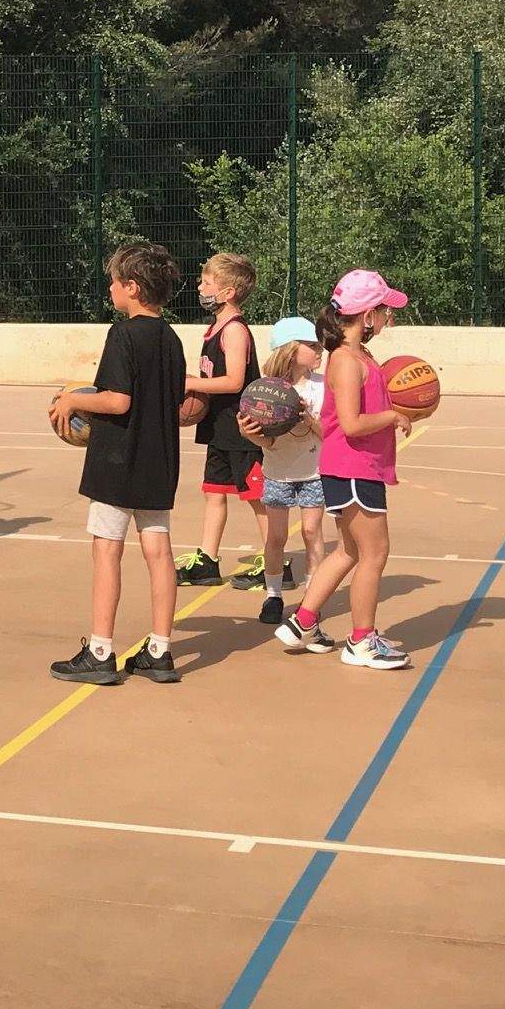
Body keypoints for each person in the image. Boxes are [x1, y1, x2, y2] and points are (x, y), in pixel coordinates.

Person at [48, 242, 186, 685]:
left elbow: (118, 399)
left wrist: (74, 398)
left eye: (114, 281)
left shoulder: (123, 334)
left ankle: (101, 650)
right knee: (160, 552)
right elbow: (177, 405)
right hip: (160, 459)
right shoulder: (171, 339)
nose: (110, 288)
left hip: (117, 458)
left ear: (132, 287)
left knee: (107, 549)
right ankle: (161, 651)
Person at [274, 270, 414, 669]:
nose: (390, 318)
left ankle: (303, 621)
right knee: (375, 552)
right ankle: (362, 641)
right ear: (367, 315)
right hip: (355, 468)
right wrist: (391, 416)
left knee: (350, 550)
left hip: (352, 467)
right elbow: (351, 424)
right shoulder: (347, 361)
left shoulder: (358, 356)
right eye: (385, 311)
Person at [178, 253, 264, 586]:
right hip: (219, 426)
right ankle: (207, 561)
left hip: (242, 426)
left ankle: (276, 561)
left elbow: (234, 382)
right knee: (214, 492)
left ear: (227, 292)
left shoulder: (235, 330)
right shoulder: (215, 327)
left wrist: (190, 383)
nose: (200, 287)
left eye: (207, 283)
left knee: (257, 496)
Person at [234, 316, 327, 625]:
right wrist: (250, 434)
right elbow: (269, 441)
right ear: (290, 349)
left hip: (314, 472)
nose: (320, 350)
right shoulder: (266, 391)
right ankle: (273, 595)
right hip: (278, 473)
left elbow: (332, 434)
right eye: (312, 345)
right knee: (276, 537)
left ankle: (313, 597)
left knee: (313, 531)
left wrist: (308, 419)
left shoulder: (322, 387)